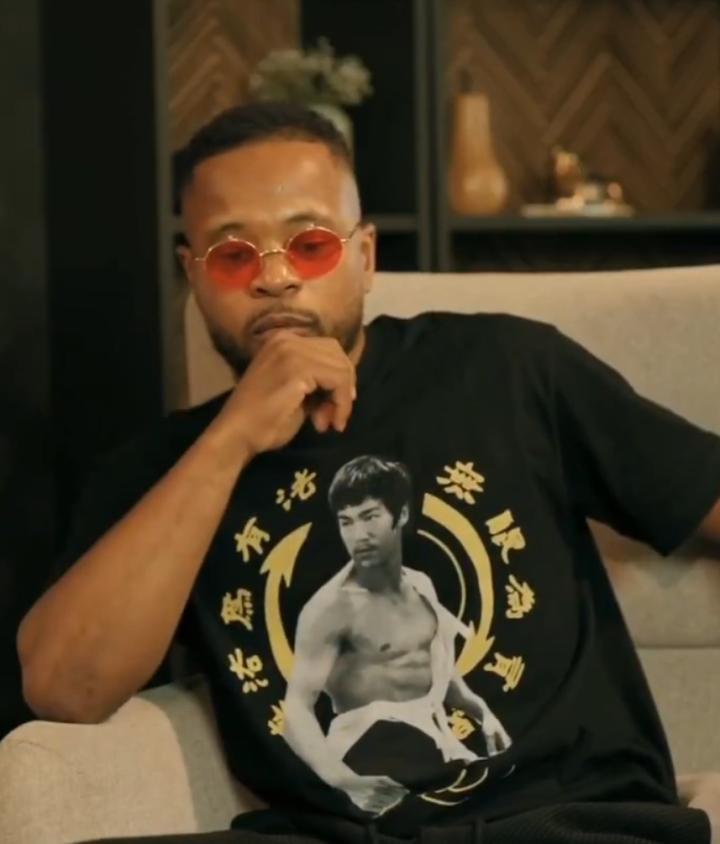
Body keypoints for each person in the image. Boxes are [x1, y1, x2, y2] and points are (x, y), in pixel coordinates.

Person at [16, 101, 720, 844]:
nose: (275, 278)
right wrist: (231, 440)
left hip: (567, 826)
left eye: (310, 244)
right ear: (192, 273)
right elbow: (65, 688)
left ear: (366, 256)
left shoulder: (511, 372)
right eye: (233, 255)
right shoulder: (168, 468)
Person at [283, 455, 511, 817]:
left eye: (370, 516)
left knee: (511, 778)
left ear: (401, 514)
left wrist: (482, 712)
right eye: (346, 522)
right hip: (366, 745)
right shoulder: (330, 607)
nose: (358, 535)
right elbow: (295, 709)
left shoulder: (420, 585)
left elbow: (437, 671)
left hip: (432, 739)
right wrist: (344, 781)